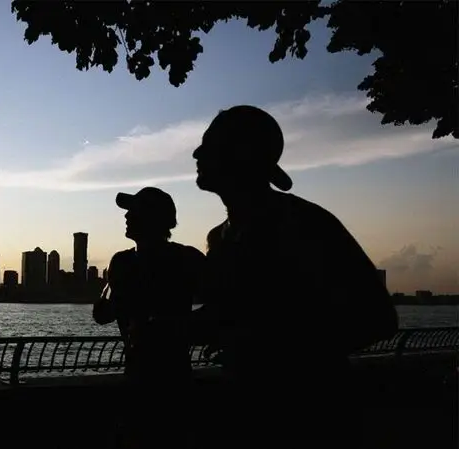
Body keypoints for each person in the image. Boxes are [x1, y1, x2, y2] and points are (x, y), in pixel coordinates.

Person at [190, 105, 399, 449]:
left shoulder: (304, 223)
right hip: (245, 413)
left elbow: (378, 318)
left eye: (210, 145)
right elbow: (237, 315)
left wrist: (273, 352)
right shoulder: (220, 237)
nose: (197, 153)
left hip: (312, 417)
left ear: (242, 155)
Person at [93, 186, 206, 449]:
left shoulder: (122, 262)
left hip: (142, 380)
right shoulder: (188, 258)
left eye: (134, 211)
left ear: (152, 218)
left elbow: (101, 313)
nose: (127, 217)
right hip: (177, 378)